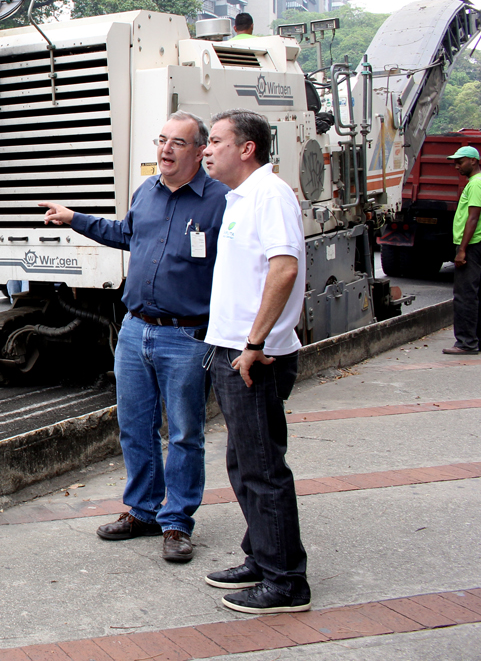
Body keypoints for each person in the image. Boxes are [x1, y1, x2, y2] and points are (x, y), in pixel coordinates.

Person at [39, 112, 226, 564]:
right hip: (135, 329)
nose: (165, 149)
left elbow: (240, 269)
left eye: (177, 142)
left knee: (184, 433)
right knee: (134, 427)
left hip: (186, 336)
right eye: (161, 140)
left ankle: (177, 522)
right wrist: (74, 218)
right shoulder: (147, 193)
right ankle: (142, 511)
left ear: (200, 151)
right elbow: (124, 234)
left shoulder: (221, 202)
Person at [201, 109, 310, 614]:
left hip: (253, 357)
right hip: (233, 350)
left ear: (247, 148)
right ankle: (261, 556)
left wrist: (254, 342)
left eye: (217, 141)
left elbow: (284, 268)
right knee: (243, 462)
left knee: (263, 468)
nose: (207, 149)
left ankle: (286, 583)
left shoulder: (270, 194)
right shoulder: (241, 198)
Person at [444, 145, 481, 355]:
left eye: (460, 162)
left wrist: (462, 250)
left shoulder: (476, 184)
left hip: (473, 245)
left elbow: (473, 218)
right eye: (455, 162)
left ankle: (466, 342)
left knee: (465, 295)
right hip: (480, 245)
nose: (456, 166)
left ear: (473, 161)